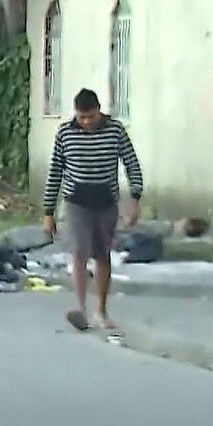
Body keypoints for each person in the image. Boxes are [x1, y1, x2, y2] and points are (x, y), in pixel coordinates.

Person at [42, 88, 143, 331]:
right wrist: (48, 212)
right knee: (79, 253)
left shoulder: (115, 130)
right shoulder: (65, 133)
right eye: (81, 117)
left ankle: (102, 310)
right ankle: (80, 309)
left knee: (101, 255)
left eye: (90, 117)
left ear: (99, 111)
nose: (86, 122)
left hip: (106, 202)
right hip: (76, 202)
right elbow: (55, 172)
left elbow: (131, 163)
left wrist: (135, 198)